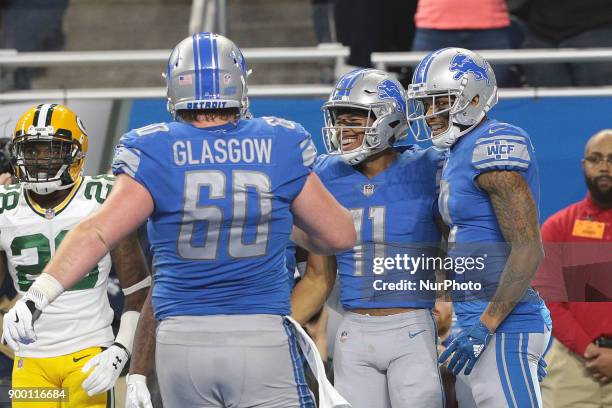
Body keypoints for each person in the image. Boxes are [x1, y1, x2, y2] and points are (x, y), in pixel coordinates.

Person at [2, 33, 356, 408]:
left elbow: (96, 231)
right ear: (238, 83)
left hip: (180, 340)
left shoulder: (152, 147)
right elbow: (339, 234)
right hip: (259, 332)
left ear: (174, 86)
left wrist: (37, 295)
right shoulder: (280, 140)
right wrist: (277, 218)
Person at [407, 47, 551, 407]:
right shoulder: (459, 150)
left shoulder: (493, 143)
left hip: (501, 325)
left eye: (439, 101)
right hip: (474, 318)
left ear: (472, 97)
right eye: (425, 104)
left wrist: (487, 324)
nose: (429, 114)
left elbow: (528, 247)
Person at [296, 68, 446, 408]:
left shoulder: (429, 167)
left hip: (413, 324)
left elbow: (464, 242)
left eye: (355, 119)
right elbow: (319, 275)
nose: (342, 130)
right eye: (339, 120)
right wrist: (280, 328)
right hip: (352, 328)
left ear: (388, 120)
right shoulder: (325, 172)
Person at [0, 104, 150, 408]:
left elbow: (138, 290)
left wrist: (121, 348)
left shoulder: (103, 196)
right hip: (29, 359)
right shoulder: (5, 204)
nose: (39, 160)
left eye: (49, 150)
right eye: (31, 151)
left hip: (89, 352)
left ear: (76, 152)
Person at [533, 130, 612, 408]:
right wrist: (590, 350)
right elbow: (550, 300)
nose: (605, 167)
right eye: (596, 159)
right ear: (584, 165)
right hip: (572, 370)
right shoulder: (558, 227)